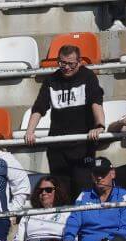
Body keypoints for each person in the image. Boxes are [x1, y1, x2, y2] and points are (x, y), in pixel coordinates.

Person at [25, 45, 106, 198]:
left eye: (71, 64)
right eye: (63, 63)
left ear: (80, 62)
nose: (67, 68)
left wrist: (100, 126)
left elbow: (96, 101)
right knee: (62, 195)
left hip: (82, 147)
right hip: (57, 149)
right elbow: (39, 107)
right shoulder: (51, 80)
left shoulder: (88, 77)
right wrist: (30, 131)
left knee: (83, 194)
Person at [13, 177, 70, 241]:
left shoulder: (66, 212)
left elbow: (71, 238)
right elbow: (17, 240)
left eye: (48, 190)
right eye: (40, 191)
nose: (43, 193)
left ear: (58, 191)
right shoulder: (29, 213)